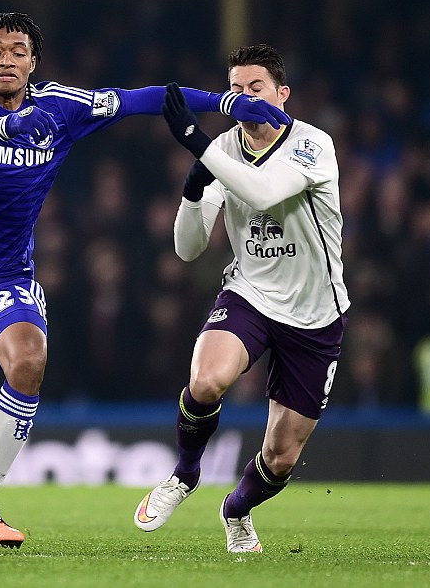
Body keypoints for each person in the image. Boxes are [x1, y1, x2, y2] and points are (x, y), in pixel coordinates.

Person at [0, 13, 291, 550]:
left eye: (17, 50)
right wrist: (1, 131)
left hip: (2, 275)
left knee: (29, 358)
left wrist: (227, 103)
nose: (6, 58)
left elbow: (144, 98)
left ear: (34, 63)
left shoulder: (60, 106)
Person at [133, 44, 350, 553]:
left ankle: (236, 509)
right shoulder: (224, 148)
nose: (245, 97)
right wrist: (190, 196)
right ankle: (184, 474)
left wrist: (194, 143)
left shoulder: (312, 143)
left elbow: (264, 193)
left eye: (256, 88)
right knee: (206, 381)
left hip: (316, 312)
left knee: (281, 455)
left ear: (281, 94)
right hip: (250, 292)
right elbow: (187, 250)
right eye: (235, 89)